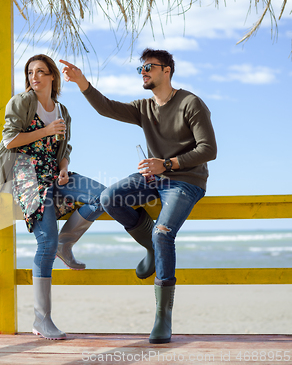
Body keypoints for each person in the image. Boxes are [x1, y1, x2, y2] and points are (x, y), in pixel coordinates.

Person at [60, 48, 217, 344]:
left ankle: (162, 317)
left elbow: (209, 149)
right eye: (141, 68)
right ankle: (151, 250)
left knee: (162, 233)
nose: (143, 72)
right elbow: (107, 108)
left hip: (186, 180)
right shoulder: (144, 107)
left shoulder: (190, 103)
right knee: (110, 197)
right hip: (154, 179)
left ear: (166, 70)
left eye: (149, 67)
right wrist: (82, 82)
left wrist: (168, 164)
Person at [0, 54, 106, 340]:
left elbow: (64, 149)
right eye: (29, 72)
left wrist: (64, 169)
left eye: (40, 71)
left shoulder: (62, 110)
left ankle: (67, 241)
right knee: (45, 241)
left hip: (53, 172)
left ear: (53, 76)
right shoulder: (22, 102)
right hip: (25, 173)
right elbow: (9, 140)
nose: (34, 77)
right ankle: (42, 320)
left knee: (104, 196)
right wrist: (46, 130)